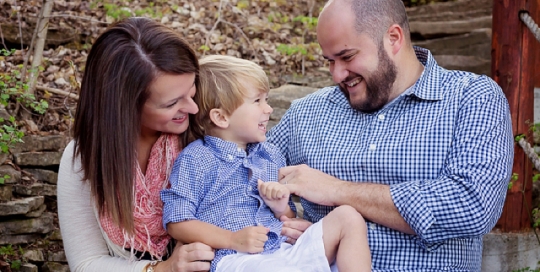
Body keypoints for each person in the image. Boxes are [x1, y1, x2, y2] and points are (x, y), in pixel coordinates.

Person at [266, 0, 514, 271]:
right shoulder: (306, 113)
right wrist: (290, 228)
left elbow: (472, 206)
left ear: (393, 38)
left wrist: (336, 192)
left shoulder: (471, 97)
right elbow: (241, 177)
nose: (336, 74)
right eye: (329, 61)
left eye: (347, 57)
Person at [160, 55, 372, 272]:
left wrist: (281, 208)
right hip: (237, 259)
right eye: (257, 101)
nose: (268, 109)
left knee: (348, 217)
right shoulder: (196, 158)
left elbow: (288, 220)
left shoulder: (270, 155)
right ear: (221, 117)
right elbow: (177, 221)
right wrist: (232, 239)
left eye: (268, 100)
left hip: (283, 252)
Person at [57, 17, 215, 272]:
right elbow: (86, 263)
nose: (193, 107)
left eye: (192, 89)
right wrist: (162, 269)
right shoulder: (83, 159)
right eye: (171, 103)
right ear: (125, 107)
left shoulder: (206, 134)